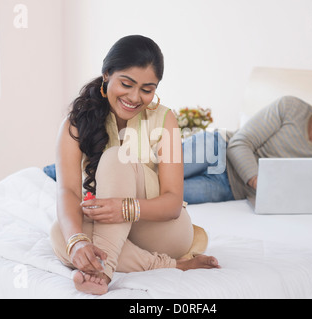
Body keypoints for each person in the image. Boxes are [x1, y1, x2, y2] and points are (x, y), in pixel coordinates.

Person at [50, 35, 219, 296]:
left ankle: (102, 273)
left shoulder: (164, 119)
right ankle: (173, 266)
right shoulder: (75, 123)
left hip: (162, 229)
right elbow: (68, 192)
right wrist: (77, 241)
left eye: (147, 89)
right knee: (61, 235)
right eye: (126, 84)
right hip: (115, 229)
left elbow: (173, 204)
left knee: (118, 157)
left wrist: (126, 208)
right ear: (107, 75)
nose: (134, 97)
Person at [184, 74, 312, 203]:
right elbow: (240, 143)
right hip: (218, 149)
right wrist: (260, 183)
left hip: (229, 188)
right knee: (153, 175)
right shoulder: (290, 107)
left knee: (160, 197)